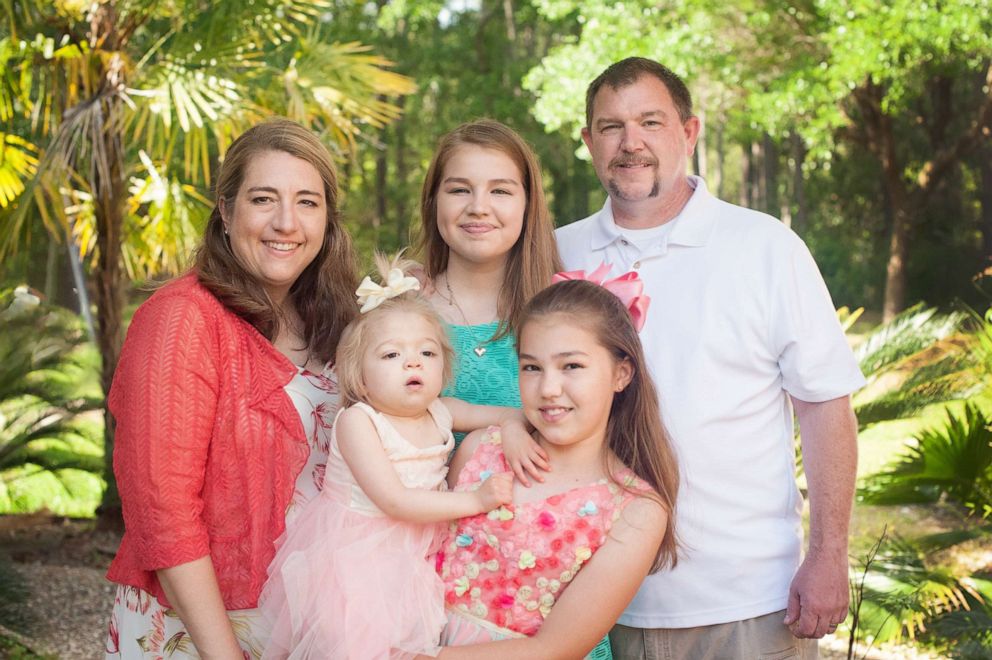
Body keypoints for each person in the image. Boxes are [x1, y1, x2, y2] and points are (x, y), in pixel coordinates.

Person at [555, 57, 866, 658]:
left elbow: (826, 406)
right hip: (588, 600)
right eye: (611, 126)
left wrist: (829, 555)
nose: (631, 142)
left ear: (689, 132)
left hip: (747, 601)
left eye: (651, 121)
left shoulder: (765, 246)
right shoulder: (555, 251)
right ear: (589, 142)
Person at [104, 119, 358, 659]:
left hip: (302, 623)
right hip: (202, 629)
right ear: (226, 210)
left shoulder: (333, 322)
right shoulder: (181, 319)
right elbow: (163, 516)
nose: (286, 223)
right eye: (263, 199)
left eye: (307, 202)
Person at [259, 255, 538, 659]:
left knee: (411, 649)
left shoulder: (443, 410)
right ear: (359, 376)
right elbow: (395, 501)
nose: (412, 362)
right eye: (391, 355)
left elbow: (511, 413)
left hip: (416, 558)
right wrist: (477, 499)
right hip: (357, 563)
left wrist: (512, 427)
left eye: (427, 353)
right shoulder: (360, 421)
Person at [424, 276, 678, 659]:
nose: (548, 389)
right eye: (531, 368)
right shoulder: (480, 451)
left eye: (571, 366)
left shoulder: (635, 508)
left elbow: (554, 648)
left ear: (621, 373)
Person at [417, 119, 561, 470]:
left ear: (528, 204)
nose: (478, 206)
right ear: (435, 200)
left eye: (500, 191)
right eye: (459, 190)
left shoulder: (562, 314)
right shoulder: (403, 311)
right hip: (418, 516)